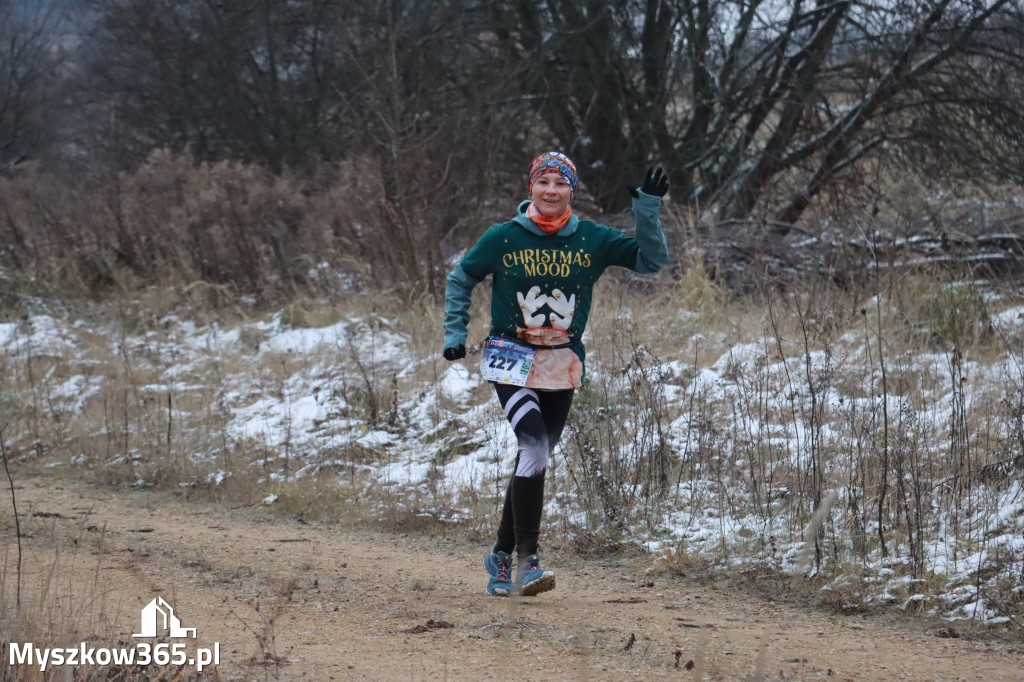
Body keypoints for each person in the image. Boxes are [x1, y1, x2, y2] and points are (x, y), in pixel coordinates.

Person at [442, 151, 669, 596]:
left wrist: (647, 209)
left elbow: (651, 260)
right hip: (510, 354)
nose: (551, 190)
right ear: (531, 188)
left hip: (562, 360)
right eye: (543, 181)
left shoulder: (593, 239)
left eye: (560, 183)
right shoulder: (503, 237)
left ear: (571, 190)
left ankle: (500, 558)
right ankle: (528, 562)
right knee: (533, 443)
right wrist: (456, 331)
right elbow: (461, 277)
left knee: (536, 457)